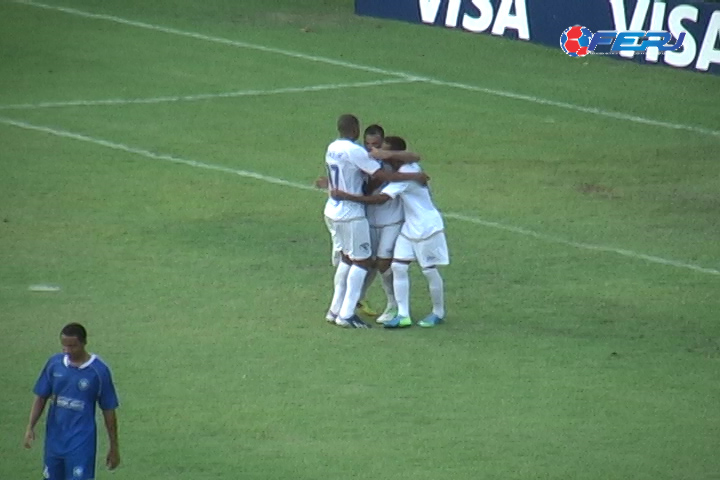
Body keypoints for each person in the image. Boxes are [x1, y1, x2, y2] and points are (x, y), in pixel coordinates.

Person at [330, 136, 449, 328]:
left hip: (428, 227)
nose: (382, 158)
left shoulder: (407, 172)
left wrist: (347, 197)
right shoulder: (403, 170)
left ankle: (438, 311)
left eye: (385, 154)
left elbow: (381, 199)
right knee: (398, 266)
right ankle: (403, 315)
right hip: (410, 227)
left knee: (429, 270)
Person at [24, 323, 120, 479]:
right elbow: (41, 397)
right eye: (64, 346)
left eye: (72, 346)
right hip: (54, 442)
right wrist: (30, 426)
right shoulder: (54, 365)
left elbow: (109, 410)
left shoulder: (99, 371)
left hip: (81, 444)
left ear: (84, 343)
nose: (67, 351)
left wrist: (113, 447)